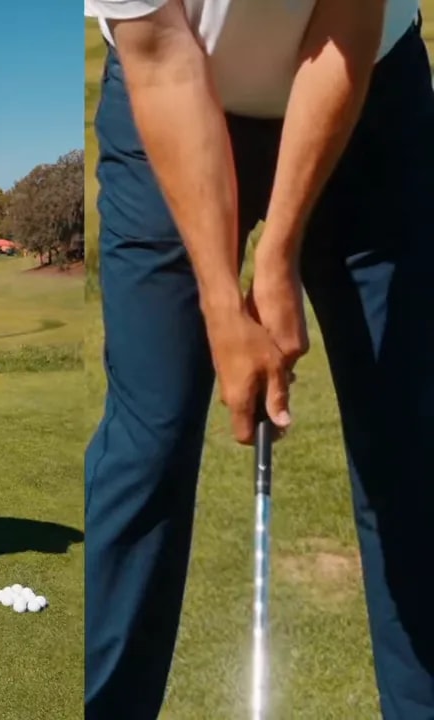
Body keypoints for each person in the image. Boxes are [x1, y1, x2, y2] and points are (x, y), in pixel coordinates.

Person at [83, 1, 434, 717]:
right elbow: (161, 60)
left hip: (368, 91)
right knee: (148, 441)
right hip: (170, 99)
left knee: (407, 439)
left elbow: (346, 27)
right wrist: (221, 301)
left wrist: (279, 255)